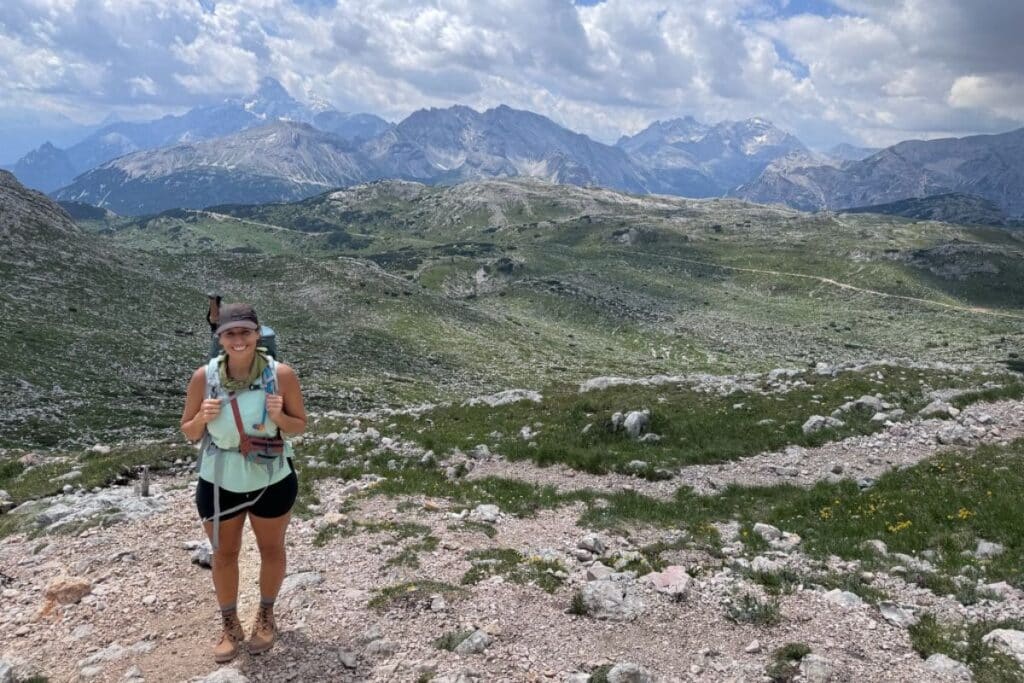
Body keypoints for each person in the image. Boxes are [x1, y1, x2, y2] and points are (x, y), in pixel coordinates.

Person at [180, 303, 307, 663]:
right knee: (223, 554)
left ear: (257, 334)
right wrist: (202, 419)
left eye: (244, 332)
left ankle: (266, 615)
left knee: (271, 549)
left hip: (272, 477)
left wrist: (280, 415)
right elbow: (188, 432)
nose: (238, 340)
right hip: (220, 480)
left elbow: (299, 425)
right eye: (230, 333)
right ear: (220, 338)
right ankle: (230, 624)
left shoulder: (281, 375)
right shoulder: (203, 378)